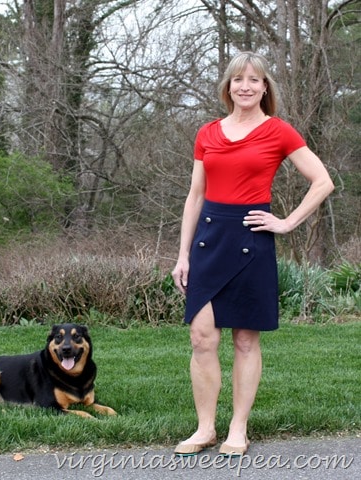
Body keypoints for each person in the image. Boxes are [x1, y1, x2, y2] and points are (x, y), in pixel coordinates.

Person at [171, 51, 334, 457]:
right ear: (228, 87)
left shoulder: (278, 131)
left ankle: (237, 429)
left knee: (245, 340)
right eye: (237, 79)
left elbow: (322, 181)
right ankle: (205, 428)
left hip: (251, 241)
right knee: (201, 337)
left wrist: (286, 222)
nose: (245, 86)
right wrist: (182, 254)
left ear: (265, 88)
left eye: (254, 80)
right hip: (208, 241)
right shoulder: (207, 132)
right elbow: (195, 197)